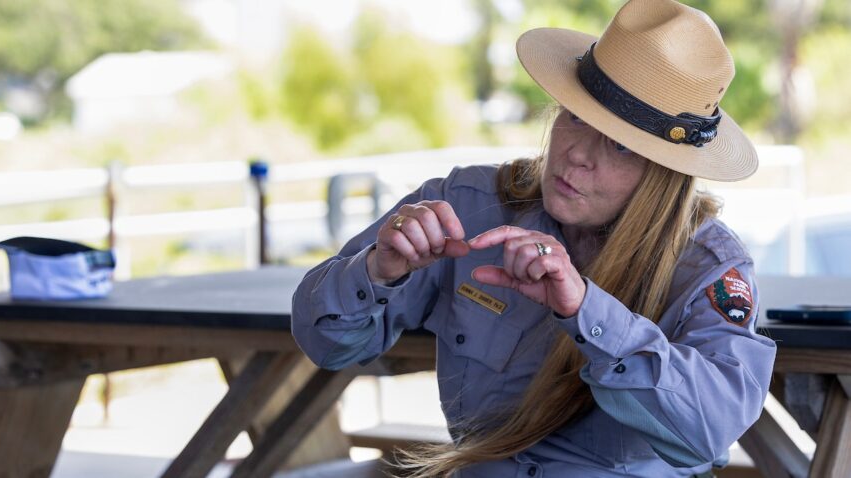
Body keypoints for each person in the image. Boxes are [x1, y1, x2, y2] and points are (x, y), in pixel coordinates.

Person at [291, 0, 776, 476]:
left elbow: (709, 431)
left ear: (665, 174)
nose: (578, 154)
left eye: (621, 145)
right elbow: (326, 345)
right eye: (578, 116)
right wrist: (377, 270)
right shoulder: (469, 204)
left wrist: (585, 310)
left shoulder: (706, 267)